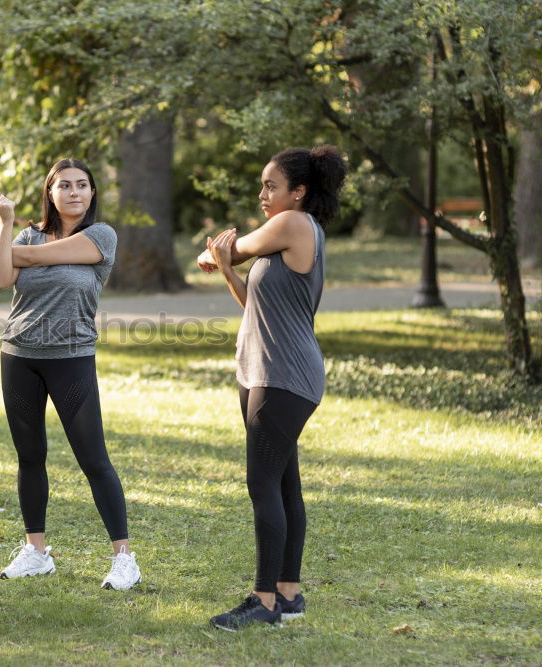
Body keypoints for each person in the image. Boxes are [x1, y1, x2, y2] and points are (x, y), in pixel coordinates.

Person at [0, 158, 141, 590]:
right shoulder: (26, 233)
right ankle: (36, 552)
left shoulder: (100, 236)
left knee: (94, 459)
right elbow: (2, 277)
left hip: (71, 357)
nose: (75, 192)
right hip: (19, 356)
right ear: (50, 192)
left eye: (83, 185)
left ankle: (124, 558)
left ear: (92, 193)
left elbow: (31, 258)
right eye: (65, 185)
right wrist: (4, 226)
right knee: (30, 456)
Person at [197, 145, 346, 630]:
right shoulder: (286, 236)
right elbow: (253, 303)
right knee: (284, 484)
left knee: (263, 483)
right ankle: (288, 593)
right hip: (266, 372)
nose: (263, 194)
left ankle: (263, 603)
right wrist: (224, 266)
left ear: (298, 192)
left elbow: (233, 246)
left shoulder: (294, 225)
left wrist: (219, 253)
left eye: (272, 186)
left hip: (284, 376)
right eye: (262, 185)